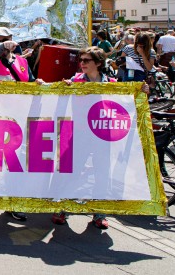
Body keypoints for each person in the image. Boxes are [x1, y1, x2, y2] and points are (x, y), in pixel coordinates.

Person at [0, 26, 44, 222]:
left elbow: (29, 82)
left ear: (12, 39)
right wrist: (1, 47)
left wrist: (36, 83)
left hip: (16, 120)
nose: (0, 43)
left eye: (4, 39)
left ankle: (13, 202)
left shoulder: (22, 61)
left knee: (15, 162)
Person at [53, 46, 116, 229]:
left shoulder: (112, 82)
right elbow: (56, 92)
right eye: (81, 60)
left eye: (86, 61)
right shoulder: (75, 80)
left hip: (102, 134)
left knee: (102, 174)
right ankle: (62, 208)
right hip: (80, 133)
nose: (82, 64)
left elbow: (127, 99)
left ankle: (99, 213)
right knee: (72, 172)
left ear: (98, 63)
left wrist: (142, 89)